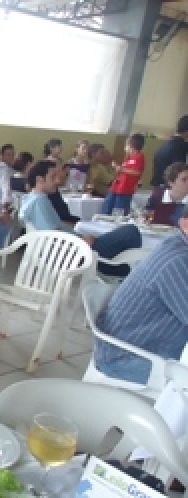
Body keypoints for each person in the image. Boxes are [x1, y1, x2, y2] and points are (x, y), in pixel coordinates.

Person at [94, 216, 188, 385]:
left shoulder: (178, 245)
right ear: (185, 224)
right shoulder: (177, 260)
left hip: (146, 346)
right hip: (128, 358)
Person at [20, 160, 141, 277]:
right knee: (131, 232)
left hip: (74, 246)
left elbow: (55, 227)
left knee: (124, 243)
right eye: (53, 177)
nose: (57, 180)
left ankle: (121, 270)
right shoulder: (39, 201)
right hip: (73, 251)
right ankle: (117, 269)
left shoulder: (32, 199)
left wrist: (81, 237)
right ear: (39, 180)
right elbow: (53, 235)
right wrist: (81, 241)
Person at [102, 133, 146, 216]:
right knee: (107, 208)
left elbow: (137, 172)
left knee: (119, 212)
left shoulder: (139, 157)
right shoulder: (128, 158)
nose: (125, 147)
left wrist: (120, 169)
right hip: (116, 187)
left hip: (125, 189)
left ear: (131, 145)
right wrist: (117, 168)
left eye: (126, 144)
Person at [151, 115, 188, 188]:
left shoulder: (167, 143)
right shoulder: (180, 147)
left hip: (158, 186)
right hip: (169, 188)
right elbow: (180, 171)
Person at [48, 159, 80, 226]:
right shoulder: (48, 195)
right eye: (62, 170)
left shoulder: (55, 192)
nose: (65, 173)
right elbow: (57, 222)